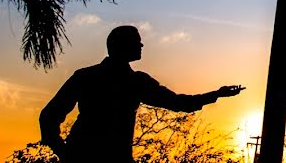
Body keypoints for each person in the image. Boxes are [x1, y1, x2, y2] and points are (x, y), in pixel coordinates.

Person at [40, 25, 245, 163]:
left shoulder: (93, 76)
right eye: (137, 42)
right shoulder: (130, 81)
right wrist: (64, 152)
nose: (141, 46)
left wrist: (64, 151)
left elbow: (177, 102)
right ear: (123, 46)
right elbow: (177, 102)